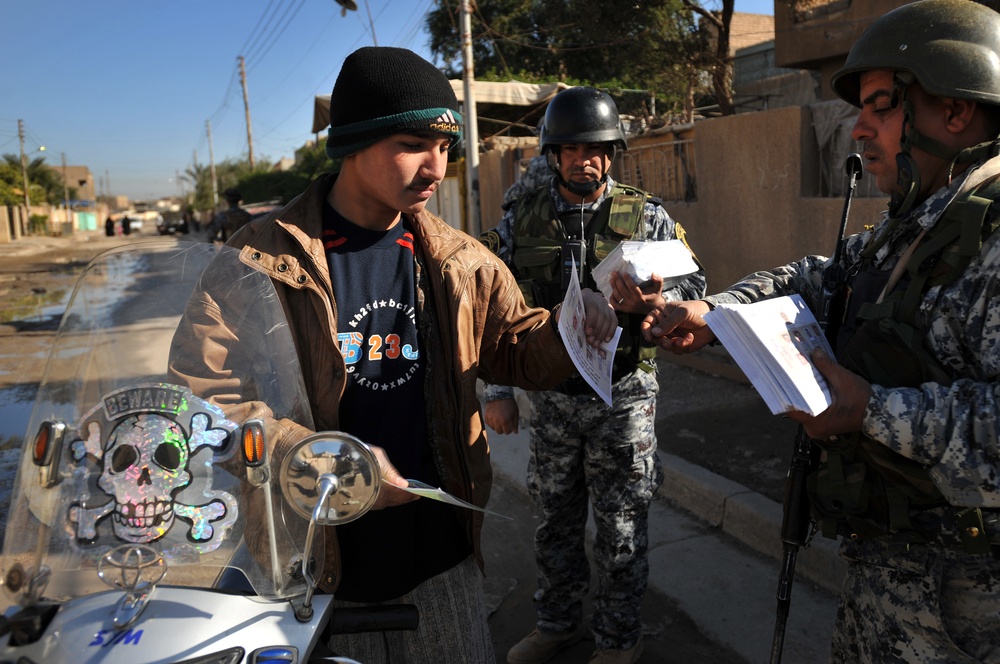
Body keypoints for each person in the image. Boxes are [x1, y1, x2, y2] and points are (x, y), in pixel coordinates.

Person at [168, 46, 617, 664]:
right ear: (355, 141)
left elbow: (514, 347)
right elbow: (202, 396)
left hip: (440, 557)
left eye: (446, 148)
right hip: (312, 562)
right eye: (415, 144)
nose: (436, 167)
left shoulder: (460, 259)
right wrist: (321, 460)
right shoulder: (258, 260)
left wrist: (573, 326)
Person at [641, 1, 1000, 661]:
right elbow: (819, 277)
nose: (859, 129)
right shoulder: (914, 225)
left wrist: (872, 411)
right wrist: (714, 313)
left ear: (955, 110)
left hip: (967, 606)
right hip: (883, 572)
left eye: (882, 106)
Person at [479, 86, 706, 664]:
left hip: (624, 399)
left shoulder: (646, 215)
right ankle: (556, 624)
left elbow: (693, 286)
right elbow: (488, 309)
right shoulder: (519, 222)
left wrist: (657, 300)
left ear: (613, 154)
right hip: (553, 402)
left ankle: (617, 639)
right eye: (574, 149)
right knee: (554, 522)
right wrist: (497, 390)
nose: (588, 160)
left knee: (622, 526)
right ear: (553, 154)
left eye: (600, 149)